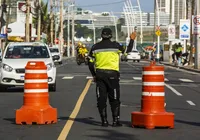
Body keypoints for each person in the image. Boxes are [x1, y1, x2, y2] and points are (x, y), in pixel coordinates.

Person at [87, 28, 137, 127]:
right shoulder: (116, 46)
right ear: (111, 35)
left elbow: (90, 63)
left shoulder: (95, 47)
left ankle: (104, 121)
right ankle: (115, 121)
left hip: (100, 75)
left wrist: (94, 75)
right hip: (113, 75)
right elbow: (128, 51)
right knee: (114, 99)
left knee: (101, 99)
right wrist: (132, 39)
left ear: (101, 36)